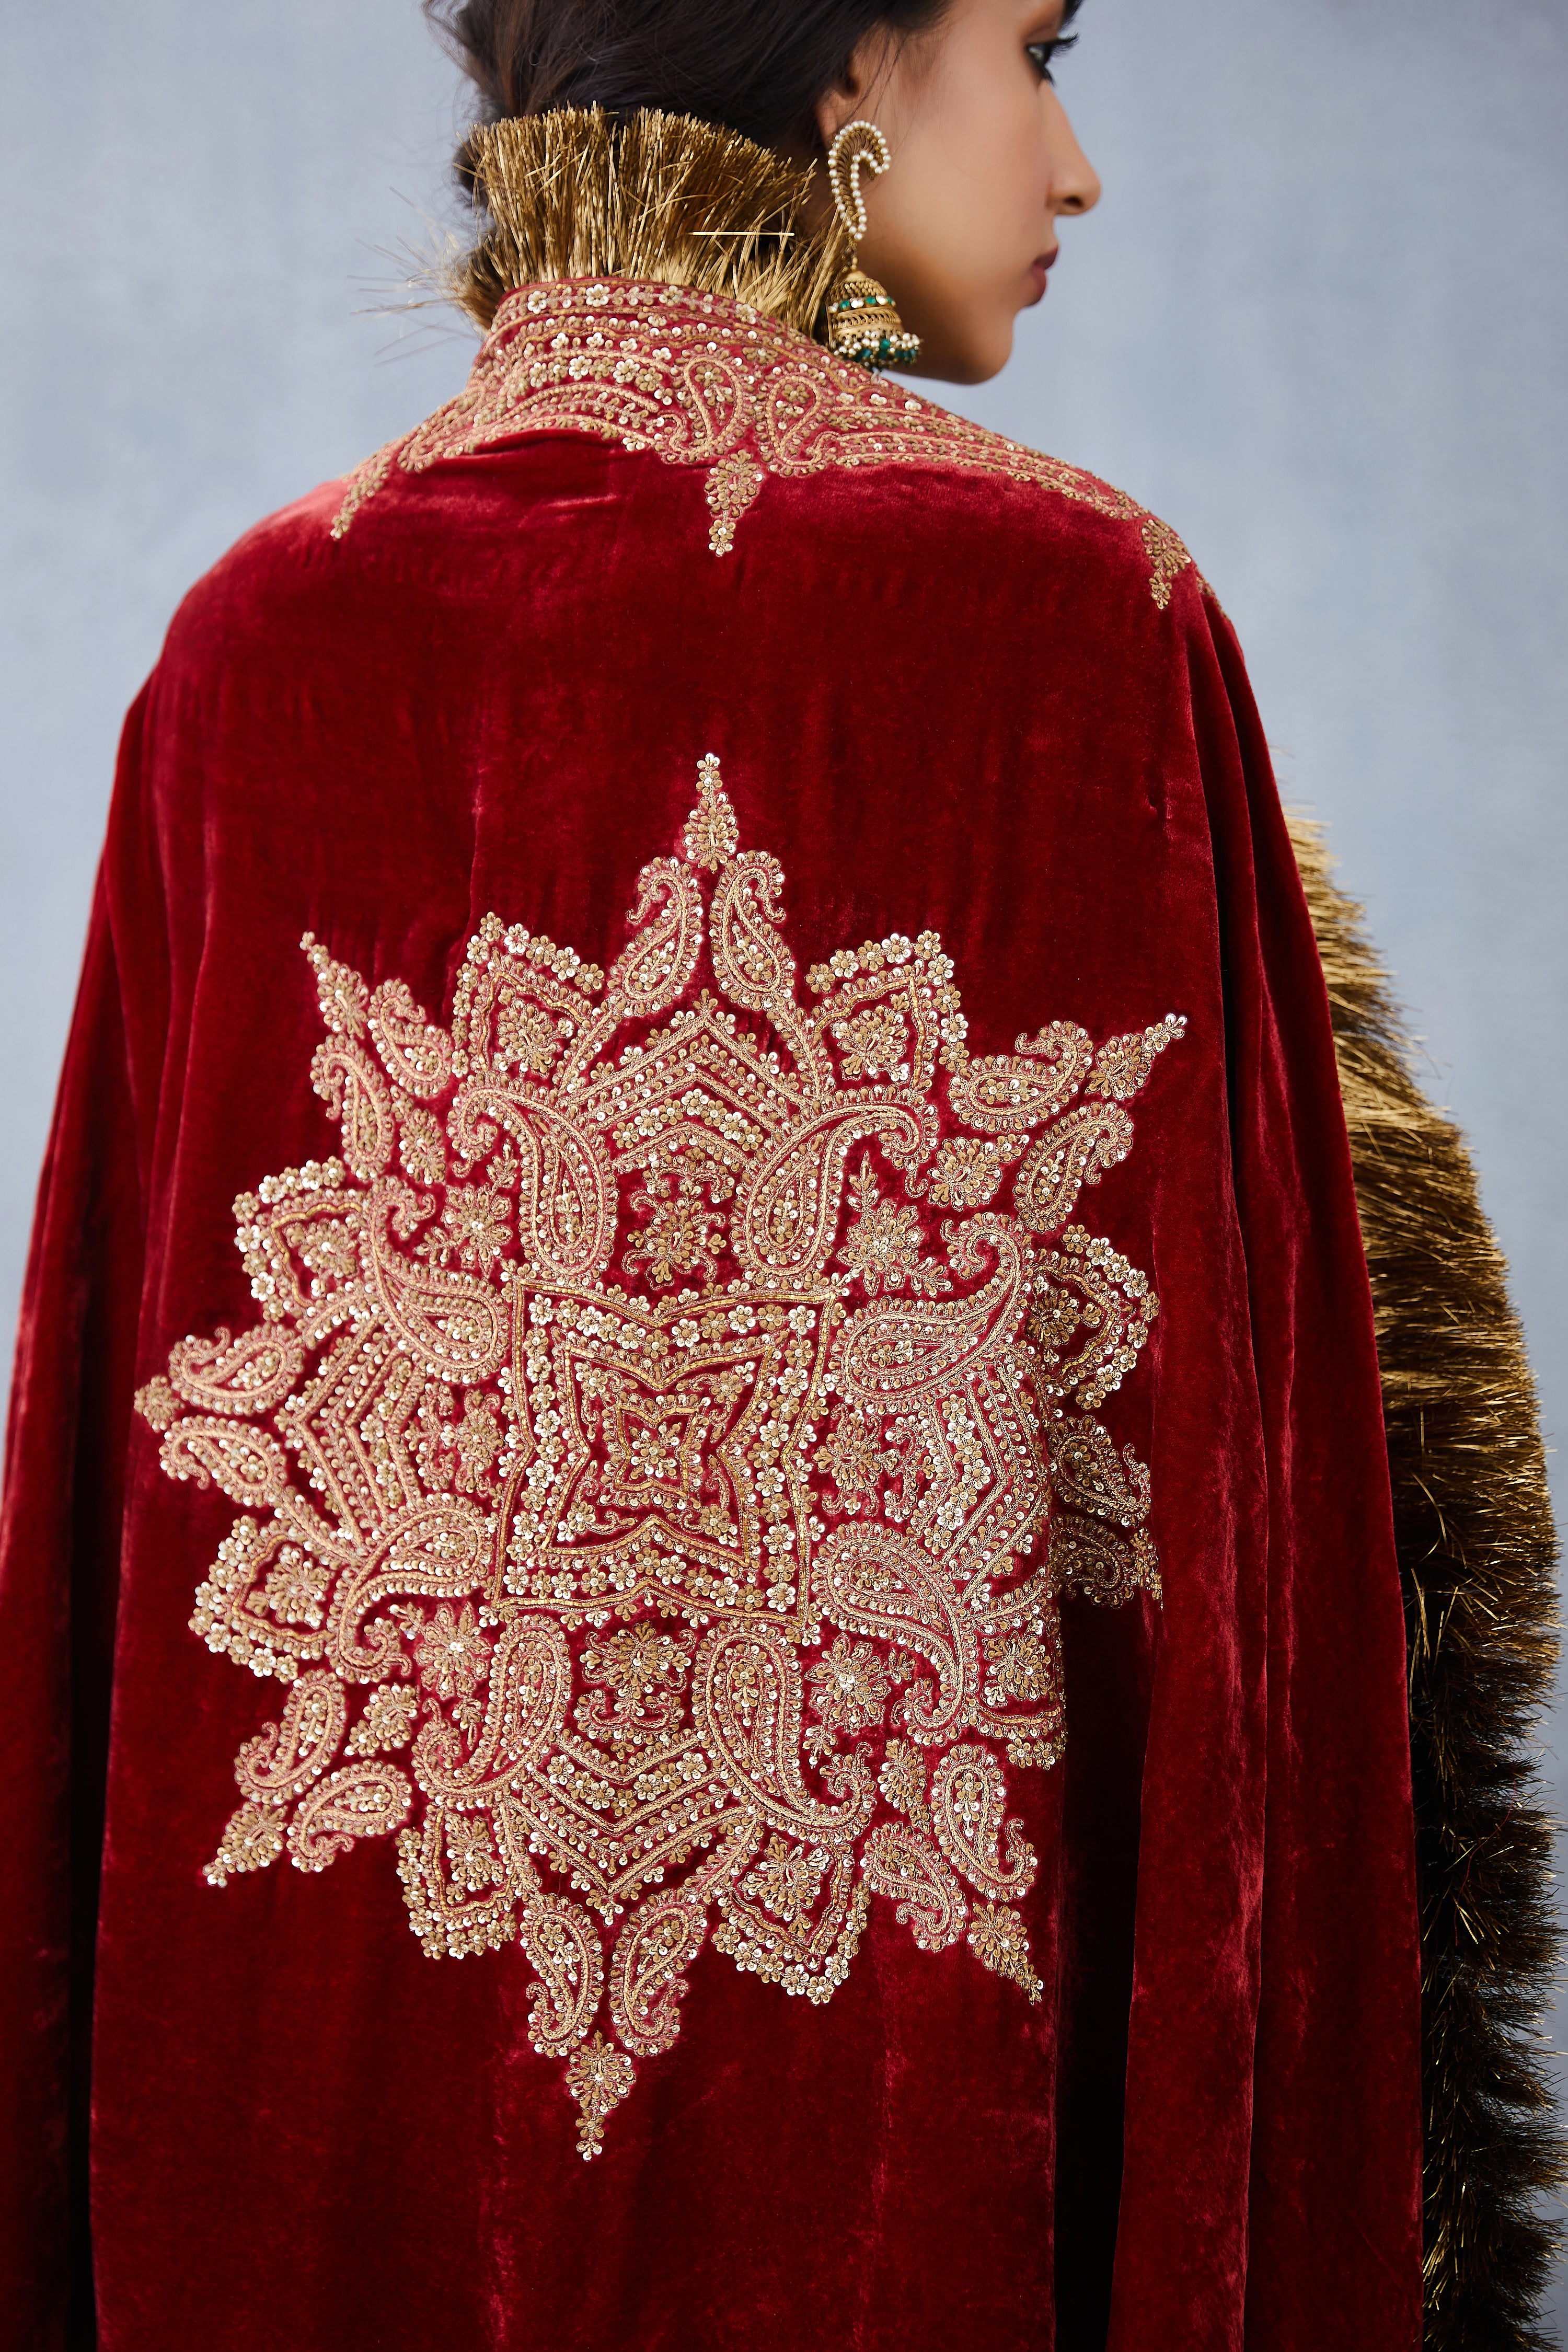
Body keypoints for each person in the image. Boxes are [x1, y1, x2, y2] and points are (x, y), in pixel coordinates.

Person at [0, 2, 1556, 2345]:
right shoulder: (1084, 625)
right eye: (1035, 49)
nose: (1077, 162)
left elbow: (91, 1628)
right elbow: (1270, 1618)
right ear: (848, 76)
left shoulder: (256, 646)